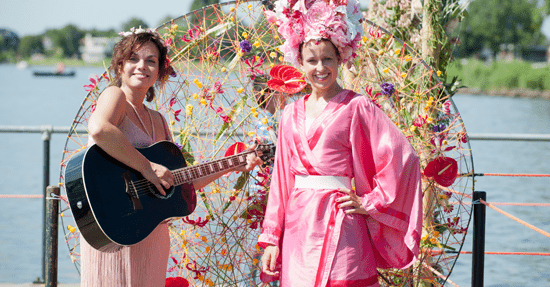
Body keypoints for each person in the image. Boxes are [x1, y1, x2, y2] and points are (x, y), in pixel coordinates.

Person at [81, 29, 263, 287]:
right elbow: (99, 129)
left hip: (151, 231)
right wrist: (147, 167)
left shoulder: (159, 120)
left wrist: (233, 164)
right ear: (120, 66)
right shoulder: (115, 95)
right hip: (114, 226)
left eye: (151, 60)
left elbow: (178, 182)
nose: (142, 66)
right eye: (133, 58)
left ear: (159, 71)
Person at [258, 0, 423, 286]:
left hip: (343, 222)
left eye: (327, 59)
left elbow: (403, 157)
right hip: (298, 228)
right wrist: (272, 239)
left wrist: (371, 201)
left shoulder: (357, 106)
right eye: (312, 60)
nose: (320, 68)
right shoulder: (289, 113)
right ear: (300, 62)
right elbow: (281, 181)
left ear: (340, 59)